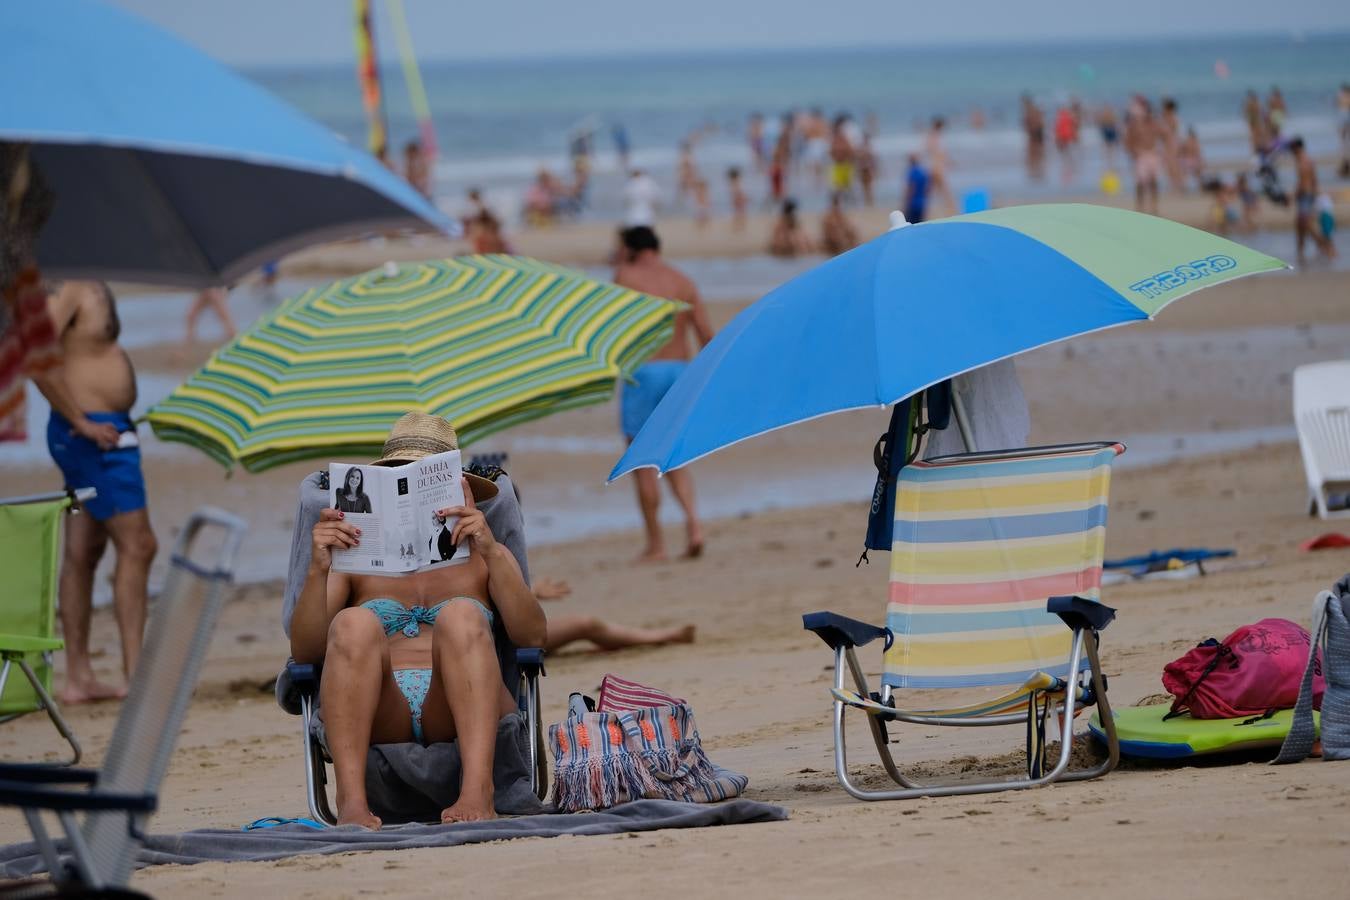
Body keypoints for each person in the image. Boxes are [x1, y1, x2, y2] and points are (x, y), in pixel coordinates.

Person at [293, 413, 546, 827]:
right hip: (382, 705)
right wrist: (319, 569)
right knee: (353, 624)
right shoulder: (354, 559)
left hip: (460, 698)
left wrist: (491, 548)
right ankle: (352, 802)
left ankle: (477, 791)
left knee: (461, 614)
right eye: (398, 475)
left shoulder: (484, 553)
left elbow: (533, 637)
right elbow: (304, 652)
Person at [39, 282, 157, 704]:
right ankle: (135, 676)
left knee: (83, 551)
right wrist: (84, 423)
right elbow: (36, 357)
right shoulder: (67, 287)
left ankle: (79, 678)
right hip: (92, 436)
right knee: (139, 544)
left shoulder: (89, 281)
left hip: (105, 432)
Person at [612, 227, 714, 562]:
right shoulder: (681, 280)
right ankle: (695, 525)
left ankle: (656, 544)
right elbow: (704, 334)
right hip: (678, 372)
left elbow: (613, 330)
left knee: (642, 460)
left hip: (643, 371)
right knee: (674, 456)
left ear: (630, 249)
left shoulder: (625, 277)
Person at [531, 578, 695, 652]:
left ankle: (664, 635)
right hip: (510, 642)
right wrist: (532, 593)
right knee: (586, 624)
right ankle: (664, 636)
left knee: (588, 623)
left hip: (521, 631)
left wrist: (531, 593)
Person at [1291, 137, 1336, 263]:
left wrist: (1297, 194)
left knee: (1305, 224)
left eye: (1292, 148)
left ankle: (1324, 246)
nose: (1291, 151)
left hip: (1305, 195)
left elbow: (1304, 181)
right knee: (1300, 225)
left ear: (1297, 148)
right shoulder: (1304, 160)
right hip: (1306, 195)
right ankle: (1301, 251)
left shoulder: (1304, 161)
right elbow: (1313, 179)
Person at [1124, 96, 1162, 214]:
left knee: (1154, 181)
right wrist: (1133, 152)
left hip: (1153, 154)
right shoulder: (1135, 125)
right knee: (1140, 182)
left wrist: (1162, 150)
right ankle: (1140, 206)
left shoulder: (1154, 123)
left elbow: (1165, 135)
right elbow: (1127, 141)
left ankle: (1154, 206)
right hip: (1141, 155)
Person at [925, 117, 954, 216]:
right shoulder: (935, 136)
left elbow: (929, 150)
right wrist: (947, 162)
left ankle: (930, 208)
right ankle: (950, 207)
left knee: (933, 189)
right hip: (936, 167)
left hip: (934, 166)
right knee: (943, 189)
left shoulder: (932, 135)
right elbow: (937, 152)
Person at [902, 154, 930, 224]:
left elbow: (911, 188)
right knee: (919, 224)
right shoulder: (923, 172)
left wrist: (905, 202)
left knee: (910, 224)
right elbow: (927, 188)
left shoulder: (912, 172)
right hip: (922, 202)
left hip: (913, 203)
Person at [856, 135, 878, 207]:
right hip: (864, 170)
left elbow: (872, 161)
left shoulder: (867, 149)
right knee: (865, 187)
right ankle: (868, 202)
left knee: (869, 187)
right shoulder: (864, 148)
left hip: (867, 170)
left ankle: (869, 202)